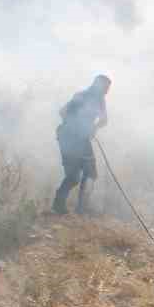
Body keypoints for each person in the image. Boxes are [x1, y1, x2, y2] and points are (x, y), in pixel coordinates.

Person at [52, 74, 111, 215]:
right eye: (106, 87)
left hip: (79, 138)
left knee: (89, 173)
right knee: (75, 176)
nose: (107, 91)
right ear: (99, 85)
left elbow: (104, 120)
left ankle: (80, 207)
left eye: (108, 88)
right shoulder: (83, 96)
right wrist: (76, 126)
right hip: (69, 137)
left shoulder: (99, 100)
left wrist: (93, 128)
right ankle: (63, 205)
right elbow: (62, 112)